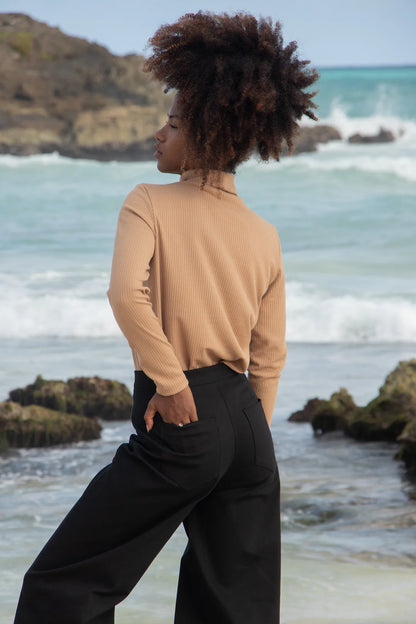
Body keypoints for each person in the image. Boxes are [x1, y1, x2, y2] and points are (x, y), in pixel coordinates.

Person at [14, 11, 318, 624]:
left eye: (174, 123)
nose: (159, 133)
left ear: (206, 130)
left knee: (63, 584)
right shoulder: (265, 234)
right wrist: (249, 434)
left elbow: (128, 296)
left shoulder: (148, 199)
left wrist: (173, 385)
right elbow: (270, 353)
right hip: (248, 427)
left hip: (184, 411)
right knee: (235, 609)